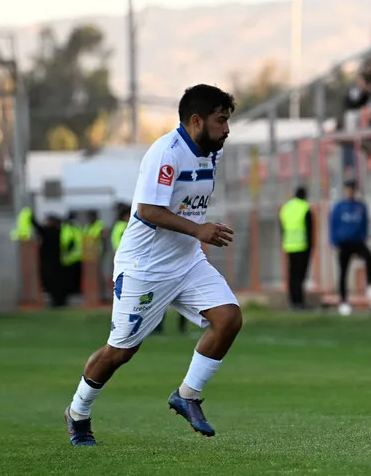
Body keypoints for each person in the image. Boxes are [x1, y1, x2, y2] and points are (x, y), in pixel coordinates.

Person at [64, 84, 243, 446]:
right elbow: (148, 210)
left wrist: (195, 235)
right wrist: (199, 230)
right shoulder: (166, 153)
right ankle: (78, 411)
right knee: (121, 351)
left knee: (229, 318)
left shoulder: (212, 153)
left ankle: (187, 396)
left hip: (187, 261)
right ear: (196, 121)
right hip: (145, 267)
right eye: (221, 120)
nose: (226, 129)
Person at [329, 179, 371, 316]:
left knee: (368, 257)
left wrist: (365, 236)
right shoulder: (339, 207)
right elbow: (333, 224)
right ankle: (343, 301)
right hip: (344, 242)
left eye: (352, 190)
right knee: (343, 272)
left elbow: (365, 223)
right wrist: (334, 241)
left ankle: (370, 284)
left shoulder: (360, 206)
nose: (350, 192)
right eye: (348, 190)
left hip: (357, 241)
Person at [280, 186, 314, 310]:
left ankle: (293, 302)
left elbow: (282, 227)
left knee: (292, 275)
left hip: (289, 246)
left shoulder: (286, 207)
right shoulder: (305, 207)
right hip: (302, 246)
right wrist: (311, 246)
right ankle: (300, 301)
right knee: (300, 276)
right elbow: (310, 229)